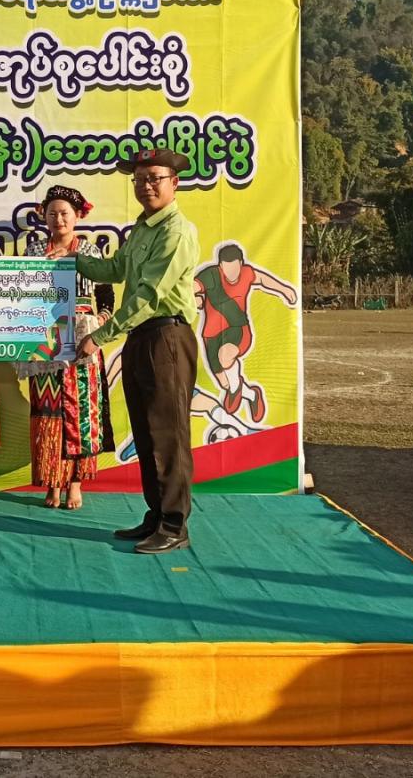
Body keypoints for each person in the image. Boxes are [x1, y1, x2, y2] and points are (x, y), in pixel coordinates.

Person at [59, 148, 200, 555]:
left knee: (168, 435)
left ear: (174, 183)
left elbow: (149, 297)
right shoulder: (141, 228)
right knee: (146, 431)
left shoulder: (176, 231)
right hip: (142, 336)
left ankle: (174, 524)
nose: (146, 186)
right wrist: (73, 260)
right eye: (140, 179)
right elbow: (115, 269)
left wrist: (100, 336)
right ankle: (156, 516)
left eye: (155, 178)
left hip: (166, 336)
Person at [20, 185, 113, 509]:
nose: (58, 219)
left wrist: (100, 322)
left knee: (81, 412)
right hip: (45, 337)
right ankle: (52, 483)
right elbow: (22, 293)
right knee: (48, 411)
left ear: (77, 216)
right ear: (44, 217)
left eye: (64, 213)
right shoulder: (33, 251)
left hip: (82, 337)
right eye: (52, 213)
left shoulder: (89, 251)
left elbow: (106, 294)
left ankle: (74, 483)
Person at [194, 243, 298, 423]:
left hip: (238, 329)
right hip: (210, 335)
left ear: (241, 264)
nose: (231, 274)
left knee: (225, 355)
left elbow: (263, 279)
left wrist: (284, 289)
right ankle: (252, 395)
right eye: (227, 270)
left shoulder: (247, 273)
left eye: (235, 269)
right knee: (224, 382)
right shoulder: (210, 275)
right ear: (221, 266)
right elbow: (191, 287)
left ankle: (236, 390)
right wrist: (194, 299)